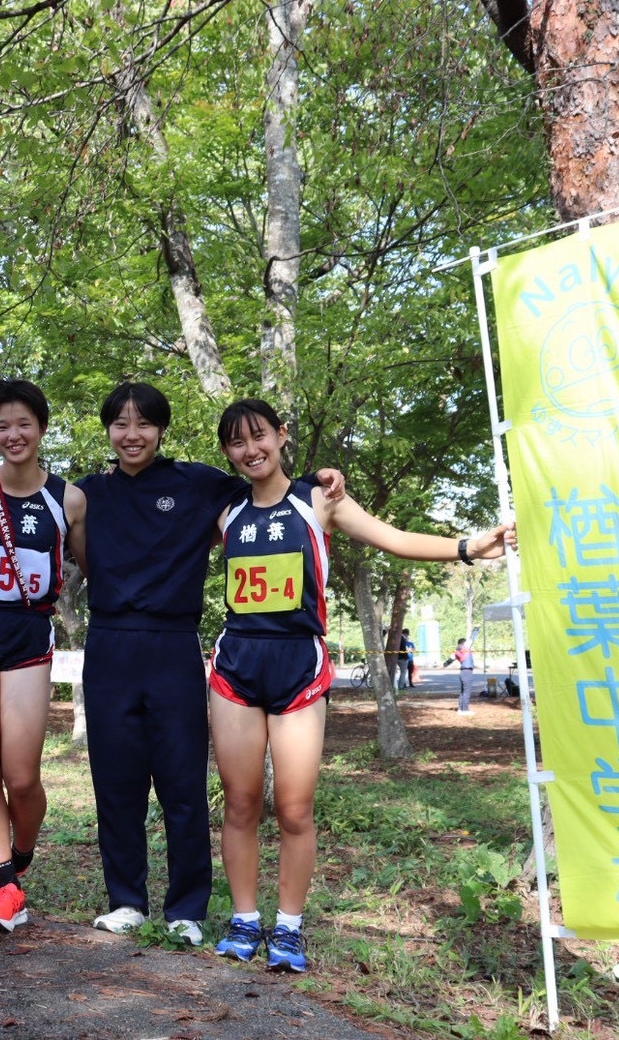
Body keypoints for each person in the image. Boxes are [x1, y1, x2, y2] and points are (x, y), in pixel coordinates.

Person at [208, 398, 513, 972]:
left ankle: (290, 928)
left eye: (259, 436)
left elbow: (392, 537)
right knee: (241, 803)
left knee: (295, 808)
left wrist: (469, 547)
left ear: (281, 434)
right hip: (236, 669)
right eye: (236, 442)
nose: (250, 450)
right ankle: (245, 919)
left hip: (298, 666)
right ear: (226, 452)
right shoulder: (223, 508)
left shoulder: (319, 498)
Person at [75, 382, 343, 947]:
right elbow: (27, 499)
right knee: (116, 781)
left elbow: (267, 483)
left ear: (160, 430)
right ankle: (125, 901)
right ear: (108, 431)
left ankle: (187, 909)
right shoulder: (87, 493)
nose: (132, 434)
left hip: (174, 646)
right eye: (120, 424)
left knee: (182, 782)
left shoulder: (198, 483)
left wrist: (322, 477)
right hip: (108, 645)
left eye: (144, 423)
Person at [0, 378, 87, 934]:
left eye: (23, 424)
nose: (13, 435)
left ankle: (20, 858)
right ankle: (7, 885)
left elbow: (99, 563)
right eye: (1, 426)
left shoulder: (69, 498)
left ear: (42, 428)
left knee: (22, 775)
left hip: (31, 637)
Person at [455, 638, 476, 713]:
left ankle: (461, 708)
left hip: (463, 672)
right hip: (467, 672)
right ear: (464, 644)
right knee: (467, 691)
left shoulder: (460, 651)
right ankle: (465, 710)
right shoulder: (465, 650)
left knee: (463, 691)